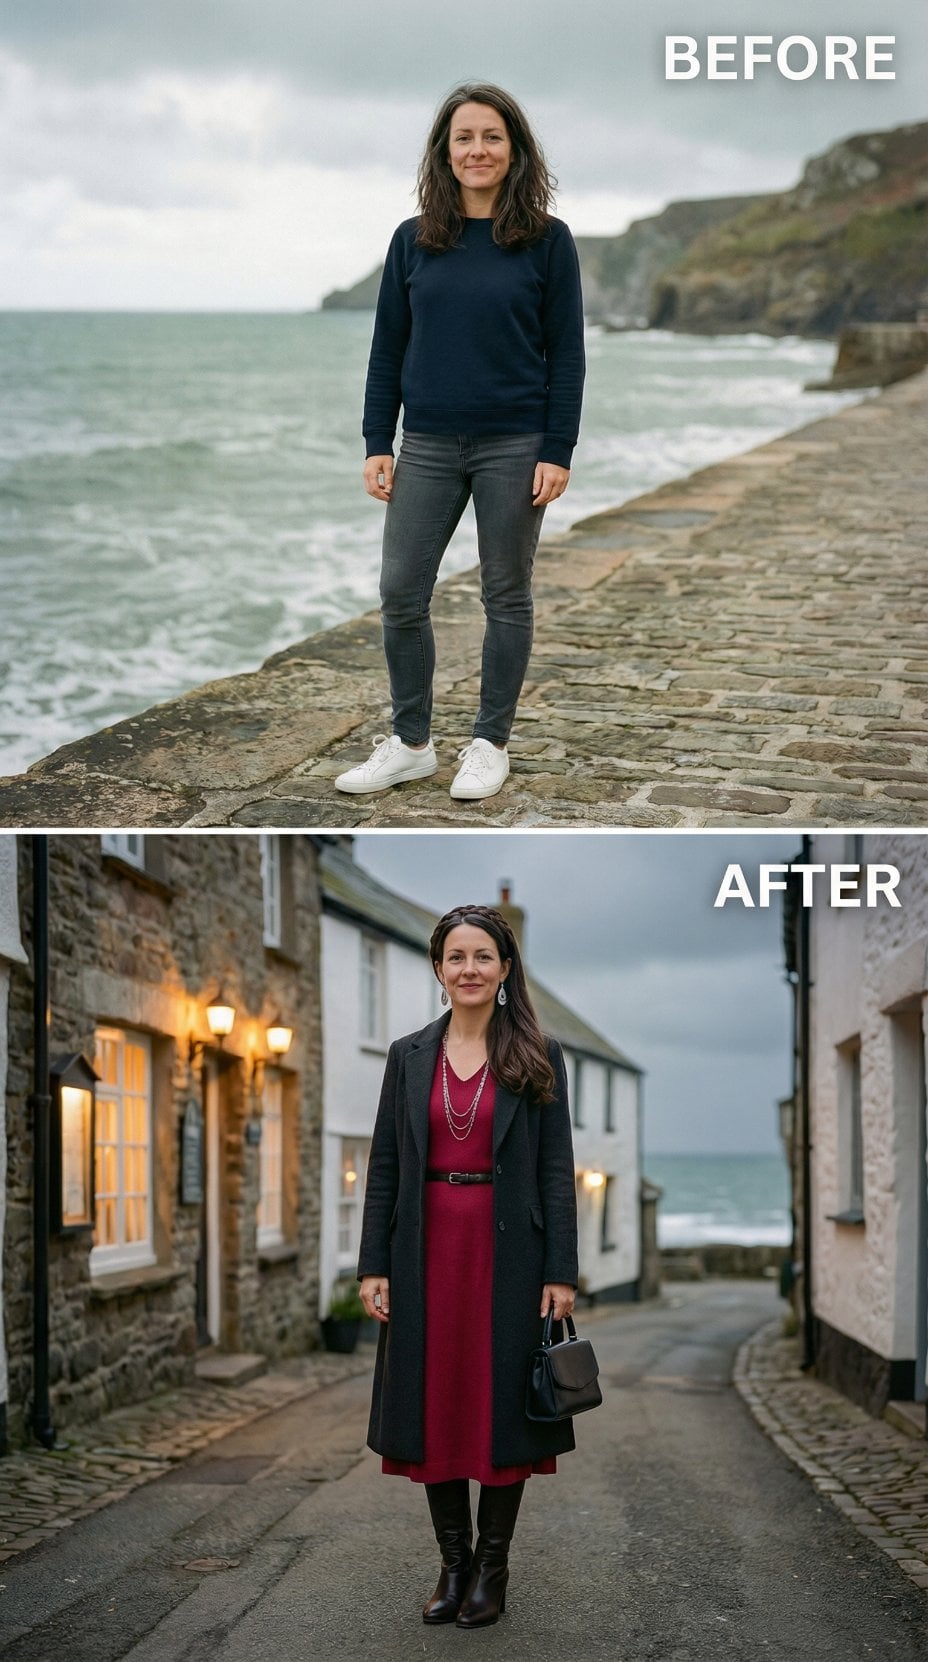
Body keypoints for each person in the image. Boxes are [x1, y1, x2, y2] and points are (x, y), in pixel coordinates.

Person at [335, 82, 585, 803]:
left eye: (492, 137)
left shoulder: (547, 240)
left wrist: (557, 448)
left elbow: (566, 354)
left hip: (516, 443)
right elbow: (389, 348)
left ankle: (489, 742)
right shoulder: (413, 240)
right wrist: (376, 439)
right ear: (445, 153)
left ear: (515, 150)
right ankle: (412, 742)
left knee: (505, 593)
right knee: (400, 591)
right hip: (430, 445)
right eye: (464, 138)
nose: (478, 150)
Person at [357, 904, 579, 1627]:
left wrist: (561, 1270)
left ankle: (492, 1569)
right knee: (437, 1404)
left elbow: (555, 1171)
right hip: (423, 1252)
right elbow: (385, 1164)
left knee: (502, 1408)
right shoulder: (407, 1055)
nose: (470, 969)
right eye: (456, 957)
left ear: (505, 968)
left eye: (483, 956)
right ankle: (452, 1566)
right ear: (438, 968)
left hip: (508, 1254)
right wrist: (373, 1265)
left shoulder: (539, 1053)